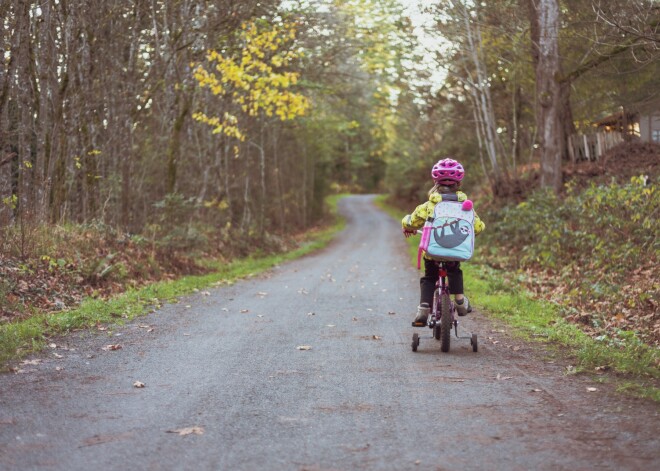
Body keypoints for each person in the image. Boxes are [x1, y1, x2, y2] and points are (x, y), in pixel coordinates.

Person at [401, 158, 485, 326]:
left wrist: (406, 224)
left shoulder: (429, 205)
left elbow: (412, 221)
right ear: (459, 183)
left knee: (429, 277)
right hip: (454, 252)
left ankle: (423, 308)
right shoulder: (465, 206)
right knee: (455, 271)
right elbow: (478, 226)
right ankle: (460, 301)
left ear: (435, 182)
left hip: (432, 253)